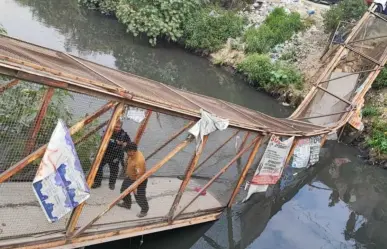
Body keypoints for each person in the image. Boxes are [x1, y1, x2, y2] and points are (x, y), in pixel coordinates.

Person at [92, 120, 131, 190]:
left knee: (114, 171)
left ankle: (112, 184)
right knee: (98, 168)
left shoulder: (124, 134)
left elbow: (129, 142)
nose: (117, 129)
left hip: (116, 155)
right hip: (105, 154)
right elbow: (103, 139)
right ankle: (97, 183)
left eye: (118, 127)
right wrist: (116, 142)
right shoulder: (108, 131)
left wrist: (125, 143)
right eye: (116, 127)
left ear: (121, 127)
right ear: (113, 126)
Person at [118, 142, 149, 218]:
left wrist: (135, 187)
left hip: (140, 180)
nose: (126, 153)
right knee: (123, 191)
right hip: (130, 177)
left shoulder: (139, 161)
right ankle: (127, 204)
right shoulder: (131, 154)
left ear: (132, 151)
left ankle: (144, 210)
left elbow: (140, 175)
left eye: (127, 152)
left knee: (139, 196)